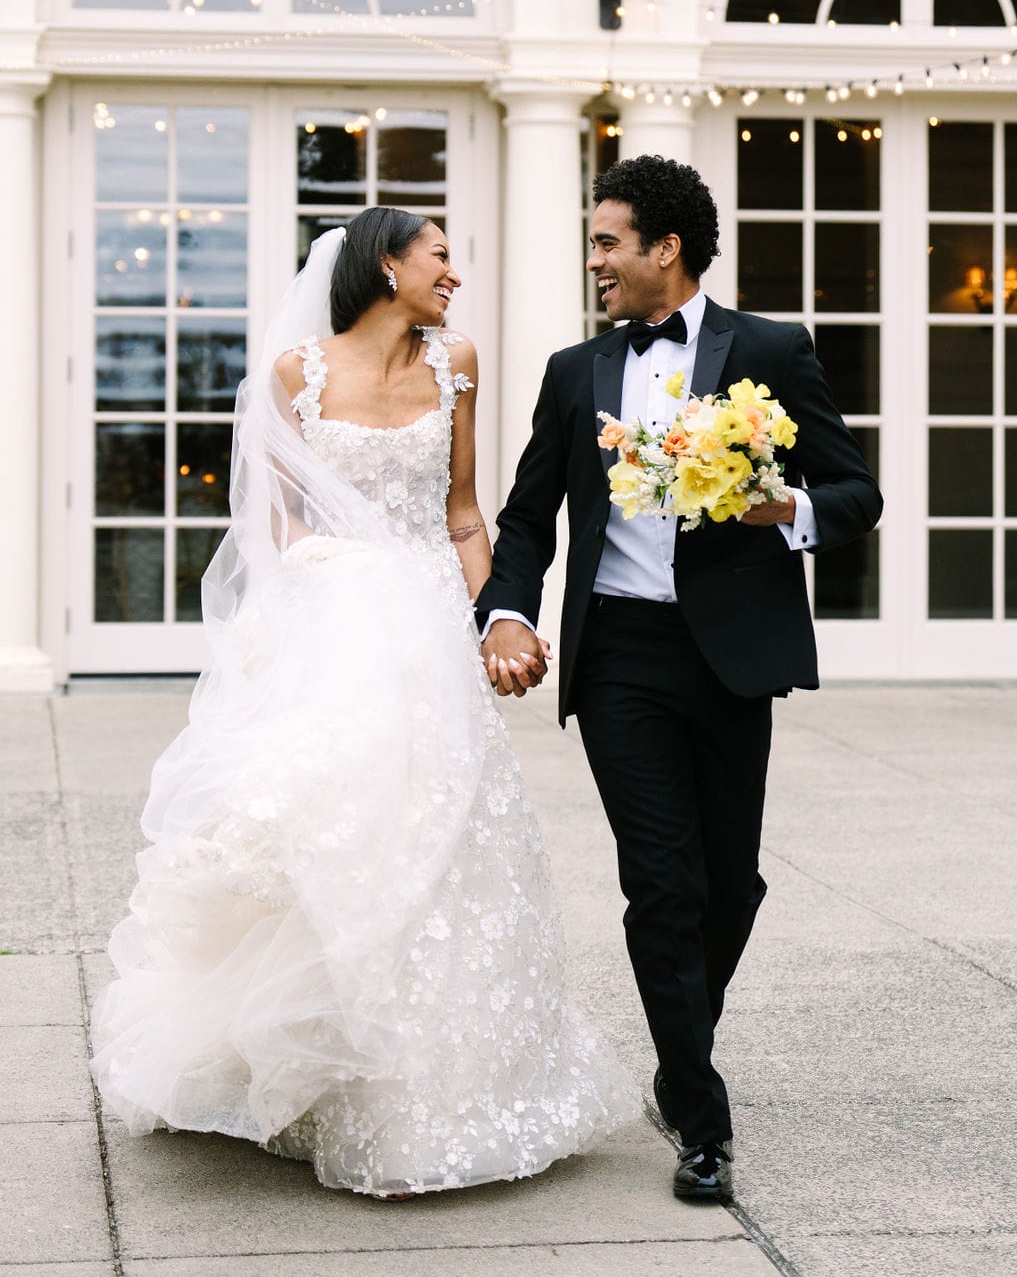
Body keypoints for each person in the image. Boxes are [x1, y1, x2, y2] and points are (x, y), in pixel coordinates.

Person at [90, 206, 637, 1199]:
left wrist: (496, 620)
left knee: (441, 838)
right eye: (438, 257)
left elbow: (464, 511)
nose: (453, 275)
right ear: (385, 267)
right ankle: (312, 1073)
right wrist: (338, 596)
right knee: (327, 836)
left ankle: (444, 1086)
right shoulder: (296, 373)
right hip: (332, 629)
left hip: (430, 623)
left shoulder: (456, 361)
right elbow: (274, 524)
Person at [476, 155, 883, 1201]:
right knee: (660, 884)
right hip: (617, 654)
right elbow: (526, 518)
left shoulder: (771, 350)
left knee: (727, 883)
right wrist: (508, 609)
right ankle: (702, 1121)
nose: (594, 258)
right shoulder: (576, 372)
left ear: (666, 249)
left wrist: (782, 512)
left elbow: (853, 492)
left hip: (730, 655)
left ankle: (674, 1050)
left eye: (608, 240)